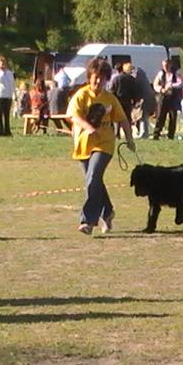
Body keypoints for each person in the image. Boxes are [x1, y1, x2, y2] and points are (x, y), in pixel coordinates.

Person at [66, 57, 136, 235]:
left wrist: (129, 138)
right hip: (83, 143)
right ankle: (108, 211)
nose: (98, 81)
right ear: (90, 77)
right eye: (95, 77)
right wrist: (88, 127)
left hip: (105, 143)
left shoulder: (110, 98)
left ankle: (88, 221)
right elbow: (73, 116)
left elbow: (123, 119)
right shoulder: (81, 95)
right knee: (94, 181)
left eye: (102, 78)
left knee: (93, 177)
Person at [152, 59, 183, 140]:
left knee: (173, 117)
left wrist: (171, 85)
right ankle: (156, 134)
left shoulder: (176, 73)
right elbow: (155, 84)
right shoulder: (160, 73)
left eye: (167, 65)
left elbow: (181, 83)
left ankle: (171, 135)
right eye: (164, 66)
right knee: (160, 116)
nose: (165, 67)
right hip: (163, 96)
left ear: (170, 65)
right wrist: (161, 89)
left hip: (173, 97)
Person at [110, 62, 138, 130]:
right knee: (127, 118)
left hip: (118, 101)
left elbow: (112, 90)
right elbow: (134, 91)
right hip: (127, 101)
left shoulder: (116, 79)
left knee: (117, 118)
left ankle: (117, 133)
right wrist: (135, 101)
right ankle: (128, 133)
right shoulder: (131, 79)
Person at [0, 56, 16, 136]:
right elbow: (0, 79)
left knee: (7, 114)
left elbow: (12, 84)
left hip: (8, 96)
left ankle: (7, 131)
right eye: (1, 64)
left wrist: (14, 94)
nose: (3, 65)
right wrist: (2, 71)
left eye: (4, 63)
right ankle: (0, 131)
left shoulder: (9, 73)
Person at [132, 66, 156, 139]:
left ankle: (144, 133)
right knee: (143, 116)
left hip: (144, 97)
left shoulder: (137, 75)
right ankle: (143, 132)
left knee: (143, 116)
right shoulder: (142, 76)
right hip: (147, 96)